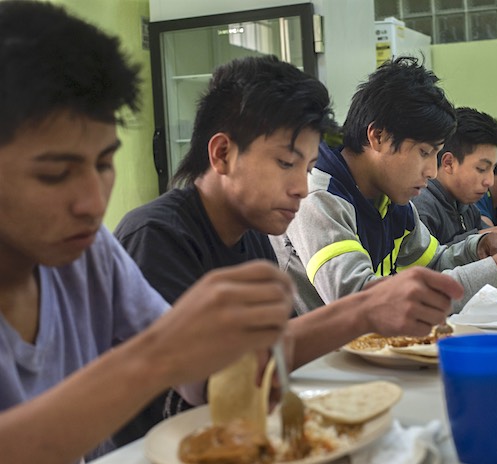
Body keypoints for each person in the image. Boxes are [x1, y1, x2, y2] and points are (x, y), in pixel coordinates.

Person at [0, 2, 296, 464]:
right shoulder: (155, 232)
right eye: (56, 173)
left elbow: (186, 365)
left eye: (103, 163)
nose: (93, 203)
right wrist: (164, 353)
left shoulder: (91, 253)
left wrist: (234, 359)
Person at [114, 55, 465, 442]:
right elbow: (212, 384)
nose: (301, 186)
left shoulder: (252, 238)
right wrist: (363, 309)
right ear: (222, 154)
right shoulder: (156, 237)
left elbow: (266, 368)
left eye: (308, 166)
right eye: (286, 163)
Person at [270, 57, 497, 316]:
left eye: (436, 154)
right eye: (424, 152)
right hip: (314, 357)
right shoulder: (319, 196)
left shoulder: (392, 200)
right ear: (379, 137)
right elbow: (354, 299)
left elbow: (432, 262)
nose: (432, 171)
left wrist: (477, 248)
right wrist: (488, 274)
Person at [412, 107, 497, 247]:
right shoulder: (422, 207)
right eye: (481, 169)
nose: (490, 181)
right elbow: (429, 264)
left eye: (493, 169)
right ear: (449, 163)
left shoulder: (466, 206)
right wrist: (477, 240)